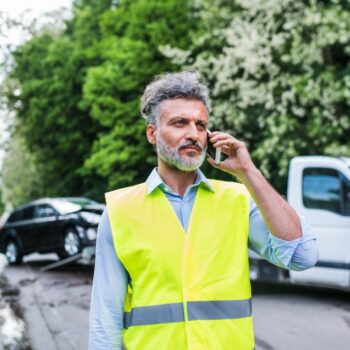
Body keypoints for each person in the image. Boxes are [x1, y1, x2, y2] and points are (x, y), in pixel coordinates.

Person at [88, 71, 318, 350]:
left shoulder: (238, 200)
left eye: (200, 125)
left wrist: (249, 172)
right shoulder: (119, 211)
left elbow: (302, 255)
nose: (193, 134)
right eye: (179, 123)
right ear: (152, 133)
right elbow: (105, 318)